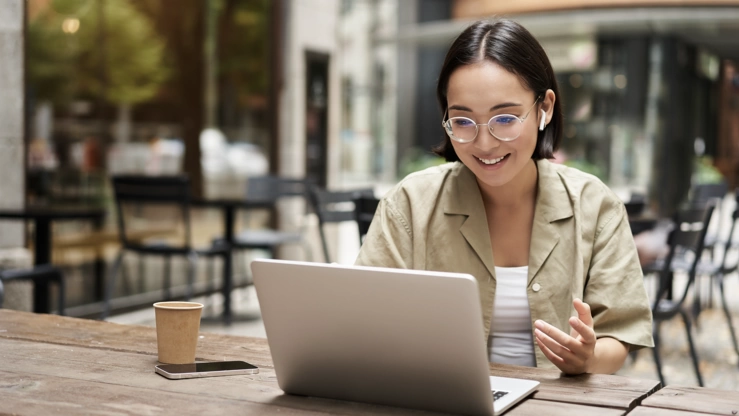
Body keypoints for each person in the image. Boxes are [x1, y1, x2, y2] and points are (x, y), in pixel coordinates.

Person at [355, 19, 653, 375]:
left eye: (505, 118)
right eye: (463, 122)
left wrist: (587, 358)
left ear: (545, 108)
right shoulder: (409, 206)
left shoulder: (595, 206)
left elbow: (617, 335)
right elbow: (364, 324)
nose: (484, 143)